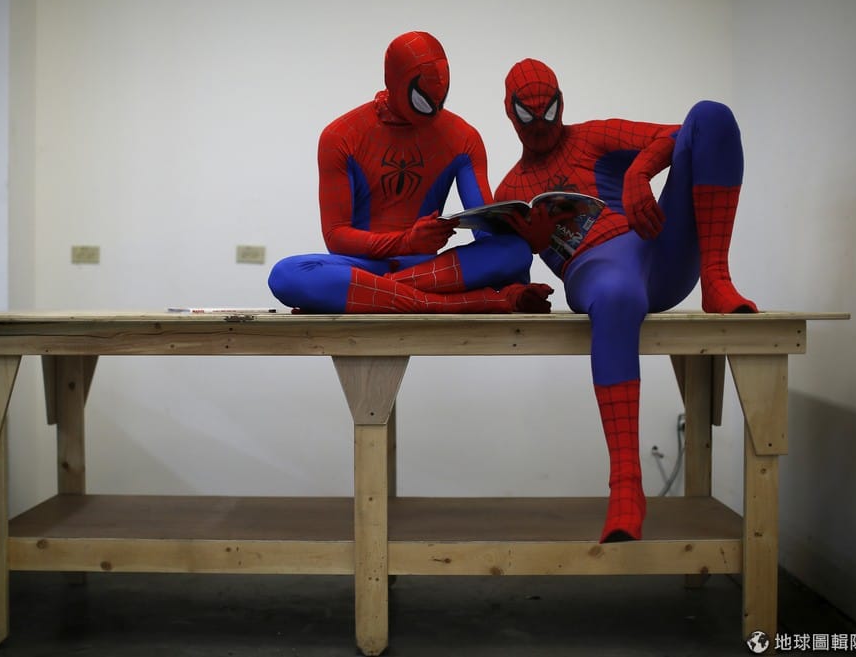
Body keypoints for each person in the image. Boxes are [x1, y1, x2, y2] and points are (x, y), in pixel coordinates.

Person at [496, 58, 757, 542]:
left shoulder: (593, 137)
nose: (541, 125)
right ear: (509, 113)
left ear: (562, 102)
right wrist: (528, 260)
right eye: (528, 115)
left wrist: (639, 172)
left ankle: (717, 279)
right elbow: (509, 265)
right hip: (597, 272)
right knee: (615, 295)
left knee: (711, 115)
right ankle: (626, 484)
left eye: (549, 110)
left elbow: (681, 134)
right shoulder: (510, 190)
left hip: (657, 247)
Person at [268, 32, 552, 314]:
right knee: (286, 274)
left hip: (417, 270)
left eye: (440, 101)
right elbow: (336, 236)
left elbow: (486, 234)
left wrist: (530, 237)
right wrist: (406, 242)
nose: (433, 113)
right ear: (393, 81)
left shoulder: (463, 137)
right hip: (370, 267)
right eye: (423, 101)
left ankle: (375, 294)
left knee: (515, 252)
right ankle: (464, 302)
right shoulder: (340, 136)